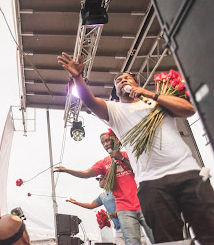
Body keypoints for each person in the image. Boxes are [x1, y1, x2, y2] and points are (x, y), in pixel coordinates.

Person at [57, 52, 214, 243]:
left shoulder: (156, 101)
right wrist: (77, 77)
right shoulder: (115, 110)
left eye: (127, 77)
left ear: (136, 83)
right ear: (115, 90)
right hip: (151, 182)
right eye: (118, 80)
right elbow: (89, 101)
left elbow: (188, 109)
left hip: (187, 172)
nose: (123, 79)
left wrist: (150, 94)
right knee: (169, 240)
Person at [55, 131, 153, 244]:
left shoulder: (127, 155)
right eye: (102, 143)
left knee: (157, 237)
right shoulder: (103, 164)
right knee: (132, 242)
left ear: (114, 140)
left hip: (143, 204)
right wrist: (67, 170)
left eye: (107, 140)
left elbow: (140, 170)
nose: (105, 144)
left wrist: (121, 158)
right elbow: (86, 174)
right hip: (124, 209)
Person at [67, 175, 125, 245]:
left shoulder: (117, 190)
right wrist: (76, 203)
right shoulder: (102, 196)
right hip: (118, 228)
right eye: (98, 180)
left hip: (127, 224)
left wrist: (119, 210)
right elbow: (91, 205)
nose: (99, 181)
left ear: (107, 179)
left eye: (100, 179)